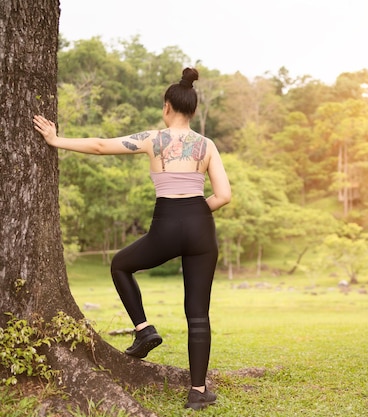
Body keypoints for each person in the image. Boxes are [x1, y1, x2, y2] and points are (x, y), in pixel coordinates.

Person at [34, 67, 231, 411]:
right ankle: (198, 391)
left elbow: (98, 146)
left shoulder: (153, 139)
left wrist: (55, 140)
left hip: (166, 225)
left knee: (121, 265)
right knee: (197, 312)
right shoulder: (207, 145)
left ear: (167, 107)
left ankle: (143, 330)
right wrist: (196, 215)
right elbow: (224, 196)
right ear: (194, 110)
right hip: (201, 226)